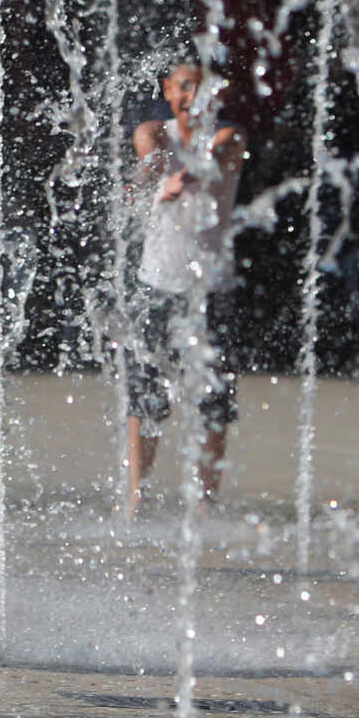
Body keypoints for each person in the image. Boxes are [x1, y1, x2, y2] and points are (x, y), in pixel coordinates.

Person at [124, 60, 246, 517]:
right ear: (167, 90)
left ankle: (206, 503)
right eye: (182, 87)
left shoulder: (229, 137)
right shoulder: (155, 133)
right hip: (157, 282)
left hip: (210, 288)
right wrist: (149, 178)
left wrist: (186, 177)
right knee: (146, 395)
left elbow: (218, 155)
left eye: (200, 87)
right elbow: (149, 155)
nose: (191, 96)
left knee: (213, 398)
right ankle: (139, 496)